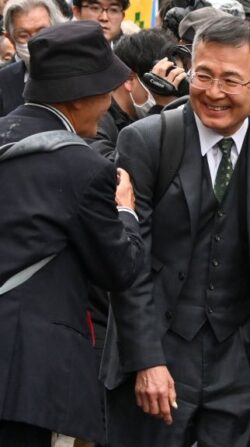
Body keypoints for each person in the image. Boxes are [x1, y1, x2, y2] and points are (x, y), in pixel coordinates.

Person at [102, 16, 250, 446]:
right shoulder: (147, 140)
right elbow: (130, 261)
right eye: (203, 76)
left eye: (230, 80)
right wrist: (146, 359)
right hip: (161, 343)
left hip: (236, 350)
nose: (213, 93)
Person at [0, 21, 143, 445]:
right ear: (83, 96)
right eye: (105, 91)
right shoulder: (83, 167)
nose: (107, 104)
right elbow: (119, 268)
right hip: (26, 372)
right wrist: (126, 212)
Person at [0, 0, 63, 116]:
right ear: (11, 39)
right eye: (24, 35)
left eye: (42, 31)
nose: (35, 41)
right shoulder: (3, 81)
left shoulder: (81, 72)